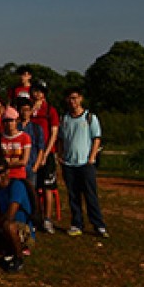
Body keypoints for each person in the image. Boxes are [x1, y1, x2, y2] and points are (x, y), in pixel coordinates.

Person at [59, 87, 107, 238]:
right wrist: (60, 156)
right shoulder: (64, 118)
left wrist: (91, 158)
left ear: (81, 99)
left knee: (90, 195)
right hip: (69, 164)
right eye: (70, 98)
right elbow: (60, 139)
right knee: (73, 196)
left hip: (85, 163)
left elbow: (96, 138)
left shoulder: (90, 117)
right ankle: (76, 223)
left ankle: (98, 225)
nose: (73, 101)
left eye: (75, 98)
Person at [30, 81, 60, 233]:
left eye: (40, 91)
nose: (37, 94)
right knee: (33, 188)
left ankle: (47, 219)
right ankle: (36, 218)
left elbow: (54, 134)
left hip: (47, 154)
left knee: (48, 187)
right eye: (35, 91)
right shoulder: (28, 109)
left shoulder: (50, 110)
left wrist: (46, 154)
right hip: (32, 153)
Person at [17, 98, 45, 188]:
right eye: (23, 110)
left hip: (31, 166)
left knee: (31, 193)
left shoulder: (37, 128)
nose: (25, 113)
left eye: (27, 110)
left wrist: (35, 167)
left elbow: (41, 148)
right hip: (17, 167)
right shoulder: (15, 127)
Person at [0, 107, 31, 181]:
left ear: (16, 121)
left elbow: (24, 161)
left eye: (11, 121)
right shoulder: (0, 137)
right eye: (6, 121)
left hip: (19, 176)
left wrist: (6, 164)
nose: (9, 124)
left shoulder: (25, 137)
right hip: (3, 176)